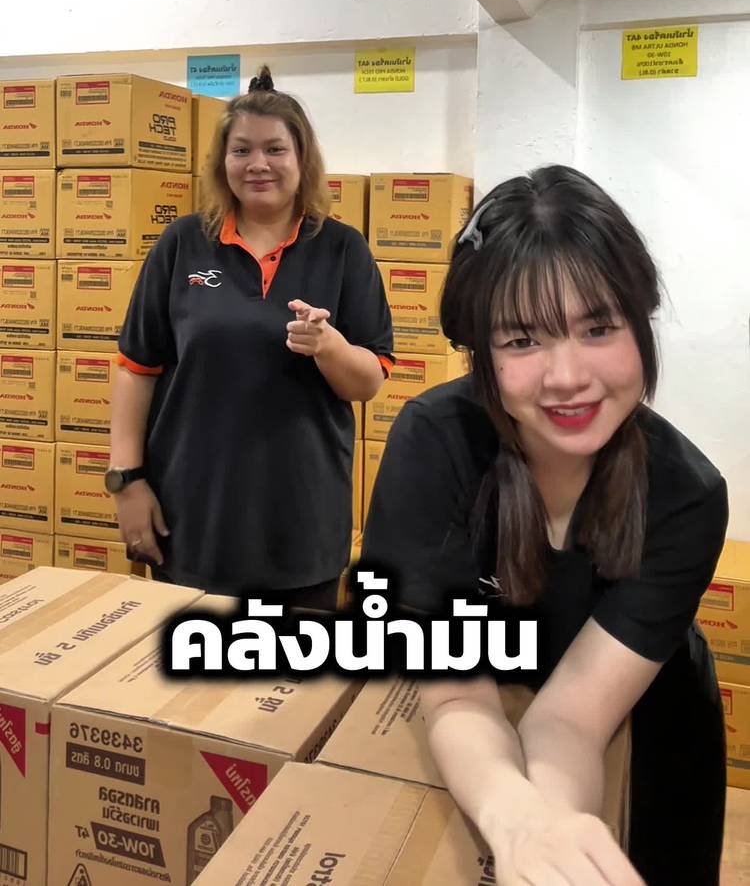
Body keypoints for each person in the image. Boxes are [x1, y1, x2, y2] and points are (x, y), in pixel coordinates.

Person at [362, 164, 728, 886]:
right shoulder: (435, 448)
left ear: (641, 321)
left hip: (649, 724)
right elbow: (457, 692)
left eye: (599, 327)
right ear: (482, 352)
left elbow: (574, 718)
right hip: (478, 717)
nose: (567, 376)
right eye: (523, 340)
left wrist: (558, 830)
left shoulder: (686, 493)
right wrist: (519, 822)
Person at [108, 66, 394, 609]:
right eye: (241, 150)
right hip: (191, 517)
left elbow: (367, 384)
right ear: (223, 162)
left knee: (292, 665)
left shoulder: (343, 250)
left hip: (302, 524)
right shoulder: (182, 244)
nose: (257, 164)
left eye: (274, 149)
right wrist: (127, 481)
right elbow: (136, 370)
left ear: (302, 158)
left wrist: (329, 347)